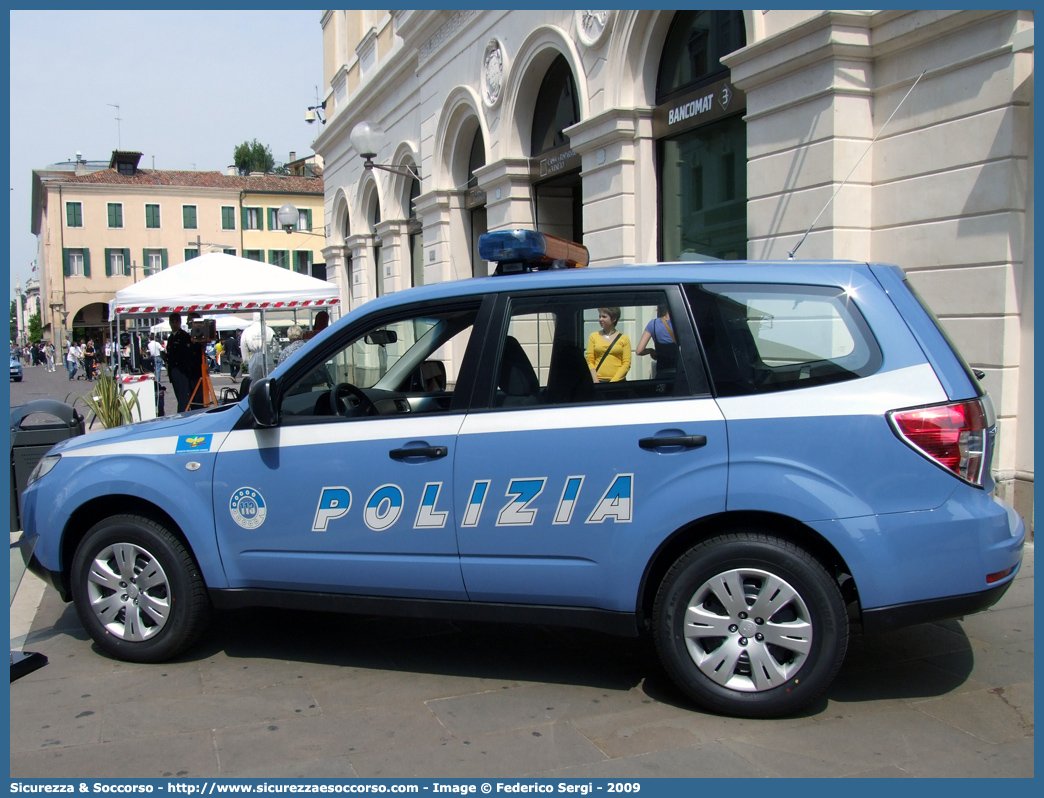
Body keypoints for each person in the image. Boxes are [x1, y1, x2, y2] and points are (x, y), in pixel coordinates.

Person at [165, 312, 204, 412]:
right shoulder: (171, 337)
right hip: (174, 370)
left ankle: (183, 415)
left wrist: (183, 369)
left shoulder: (183, 336)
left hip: (182, 371)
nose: (174, 324)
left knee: (184, 399)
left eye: (176, 321)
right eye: (172, 322)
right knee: (180, 396)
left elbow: (187, 355)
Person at [586, 307, 631, 383]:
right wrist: (596, 381)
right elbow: (589, 360)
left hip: (618, 382)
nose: (600, 319)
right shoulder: (593, 336)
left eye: (604, 316)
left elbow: (626, 364)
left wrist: (613, 382)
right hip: (598, 381)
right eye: (599, 316)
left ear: (614, 319)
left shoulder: (624, 338)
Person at [635, 306, 678, 377]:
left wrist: (651, 351)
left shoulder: (653, 324)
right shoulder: (682, 323)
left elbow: (639, 351)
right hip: (679, 374)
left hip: (662, 373)